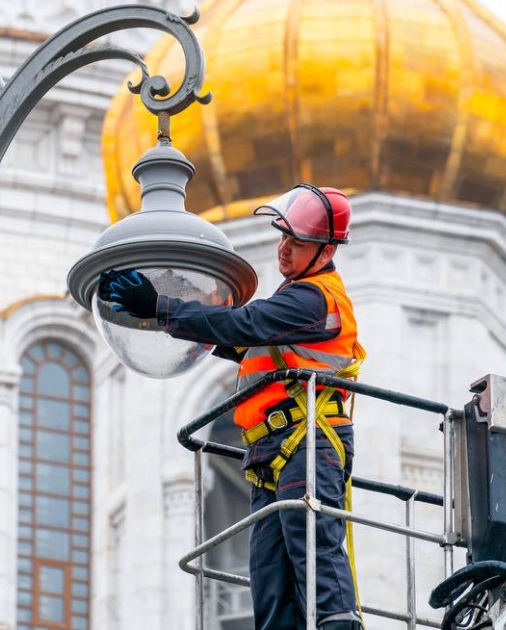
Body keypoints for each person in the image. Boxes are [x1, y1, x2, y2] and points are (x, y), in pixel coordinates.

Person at [99, 183, 366, 630]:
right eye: (283, 237)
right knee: (268, 573)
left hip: (307, 440)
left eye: (296, 242)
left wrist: (162, 307)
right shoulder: (295, 302)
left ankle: (339, 625)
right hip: (273, 450)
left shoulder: (315, 299)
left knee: (312, 543)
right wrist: (162, 317)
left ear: (324, 250)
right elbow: (243, 342)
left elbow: (246, 323)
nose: (284, 249)